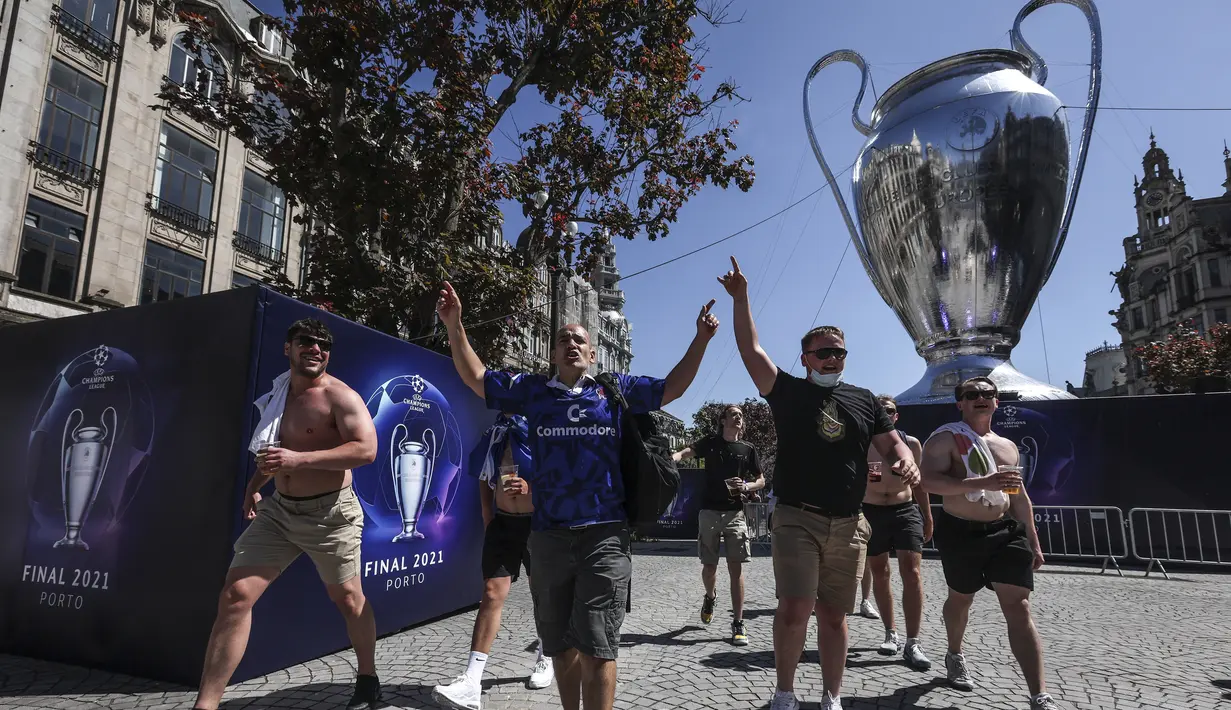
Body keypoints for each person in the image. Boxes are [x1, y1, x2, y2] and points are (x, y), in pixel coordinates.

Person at [437, 281, 718, 710]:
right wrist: (455, 326)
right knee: (560, 644)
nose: (571, 343)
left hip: (604, 535)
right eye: (563, 339)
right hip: (548, 535)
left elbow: (672, 388)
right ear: (553, 354)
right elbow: (477, 378)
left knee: (598, 645)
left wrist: (700, 339)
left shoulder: (613, 390)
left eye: (580, 340)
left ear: (592, 355)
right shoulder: (532, 391)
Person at [717, 256, 920, 710]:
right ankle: (784, 693)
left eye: (839, 352)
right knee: (793, 608)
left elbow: (893, 445)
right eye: (823, 352)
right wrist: (742, 298)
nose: (832, 358)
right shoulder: (788, 391)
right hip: (796, 518)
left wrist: (906, 462)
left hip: (849, 524)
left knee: (834, 615)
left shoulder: (865, 400)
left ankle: (832, 697)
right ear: (806, 357)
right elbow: (751, 351)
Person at [193, 319, 380, 710]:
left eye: (323, 345)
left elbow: (366, 450)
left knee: (348, 599)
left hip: (331, 515)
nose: (315, 349)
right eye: (306, 342)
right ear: (288, 348)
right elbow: (274, 452)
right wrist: (253, 487)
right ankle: (206, 705)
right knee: (236, 595)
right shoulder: (281, 393)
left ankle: (368, 677)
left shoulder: (340, 396)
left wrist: (299, 458)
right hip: (279, 511)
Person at [918, 376, 1060, 710]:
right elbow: (927, 481)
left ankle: (1039, 695)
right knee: (961, 598)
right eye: (972, 394)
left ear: (996, 401)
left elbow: (1018, 495)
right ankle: (955, 652)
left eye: (987, 394)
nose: (980, 398)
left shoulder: (1007, 446)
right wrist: (983, 480)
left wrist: (1033, 539)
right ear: (960, 404)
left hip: (1004, 531)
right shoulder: (946, 438)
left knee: (1018, 605)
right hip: (961, 531)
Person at [432, 412, 554, 710]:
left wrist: (531, 489)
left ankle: (546, 656)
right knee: (490, 593)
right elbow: (486, 477)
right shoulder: (496, 432)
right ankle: (472, 681)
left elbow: (561, 478)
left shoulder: (545, 426)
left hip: (538, 523)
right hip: (503, 524)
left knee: (543, 593)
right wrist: (488, 515)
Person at [671, 404, 766, 646]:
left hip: (735, 513)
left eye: (741, 415)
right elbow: (689, 451)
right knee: (709, 567)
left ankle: (738, 622)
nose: (738, 418)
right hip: (709, 512)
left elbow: (761, 480)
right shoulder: (711, 442)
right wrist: (675, 457)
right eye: (733, 414)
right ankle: (710, 597)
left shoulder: (747, 449)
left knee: (737, 570)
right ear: (723, 420)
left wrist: (746, 486)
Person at [861, 394, 932, 670]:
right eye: (881, 411)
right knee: (880, 572)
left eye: (890, 411)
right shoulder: (863, 444)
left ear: (896, 416)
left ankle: (913, 641)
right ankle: (891, 632)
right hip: (872, 510)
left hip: (905, 510)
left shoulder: (910, 443)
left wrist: (927, 516)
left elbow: (920, 484)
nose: (886, 415)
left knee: (912, 572)